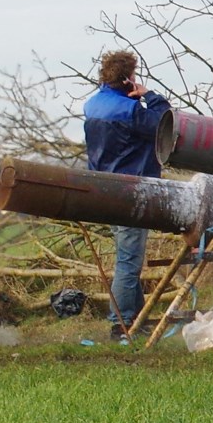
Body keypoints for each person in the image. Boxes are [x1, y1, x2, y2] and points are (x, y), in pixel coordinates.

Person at [82, 49, 175, 338]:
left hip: (104, 187)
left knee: (128, 255)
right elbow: (164, 125)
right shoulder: (131, 110)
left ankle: (136, 320)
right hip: (132, 190)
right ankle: (120, 326)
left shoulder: (92, 105)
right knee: (128, 262)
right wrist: (151, 96)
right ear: (128, 78)